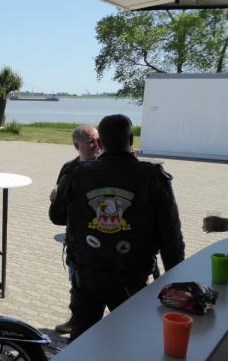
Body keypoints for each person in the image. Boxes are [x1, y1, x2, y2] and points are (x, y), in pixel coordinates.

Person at [49, 114, 185, 341]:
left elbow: (57, 216)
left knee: (81, 336)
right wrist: (177, 283)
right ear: (131, 140)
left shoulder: (77, 174)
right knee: (130, 337)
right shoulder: (152, 177)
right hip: (132, 274)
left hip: (87, 272)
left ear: (100, 143)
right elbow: (170, 235)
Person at [50, 125, 100, 335]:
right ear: (77, 146)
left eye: (98, 140)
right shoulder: (69, 168)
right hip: (77, 240)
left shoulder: (106, 166)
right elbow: (58, 210)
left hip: (105, 238)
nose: (96, 145)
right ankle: (76, 320)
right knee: (77, 285)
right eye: (91, 142)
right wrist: (56, 199)